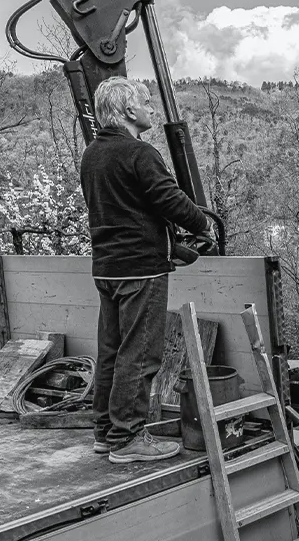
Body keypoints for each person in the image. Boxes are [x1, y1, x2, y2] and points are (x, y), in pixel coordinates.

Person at [80, 77, 212, 463]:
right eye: (145, 102)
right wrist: (202, 225)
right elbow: (168, 199)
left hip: (107, 268)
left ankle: (105, 432)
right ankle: (127, 439)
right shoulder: (139, 153)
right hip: (141, 269)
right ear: (127, 111)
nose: (151, 108)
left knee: (113, 351)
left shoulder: (92, 154)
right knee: (140, 354)